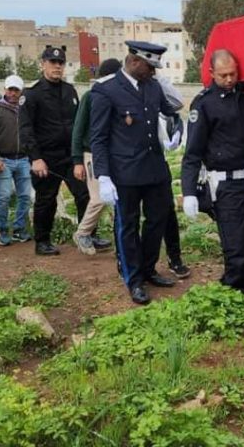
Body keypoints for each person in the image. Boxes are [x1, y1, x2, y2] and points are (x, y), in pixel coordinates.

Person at [88, 41, 180, 304]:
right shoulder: (106, 90)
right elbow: (98, 137)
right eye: (150, 66)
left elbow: (171, 111)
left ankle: (149, 268)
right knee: (127, 225)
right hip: (124, 173)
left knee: (157, 220)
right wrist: (103, 176)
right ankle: (134, 279)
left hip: (154, 169)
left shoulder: (152, 86)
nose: (153, 72)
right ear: (135, 61)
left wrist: (176, 130)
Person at [182, 49, 244, 292]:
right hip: (226, 185)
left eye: (233, 74)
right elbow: (193, 152)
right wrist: (189, 191)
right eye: (223, 75)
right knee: (236, 247)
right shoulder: (205, 104)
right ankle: (232, 293)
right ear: (212, 73)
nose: (229, 79)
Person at [20, 46, 90, 256]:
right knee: (46, 200)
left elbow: (78, 124)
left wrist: (80, 154)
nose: (57, 66)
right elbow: (25, 129)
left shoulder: (69, 91)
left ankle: (87, 235)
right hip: (46, 157)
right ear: (43, 64)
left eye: (60, 63)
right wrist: (35, 158)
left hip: (70, 155)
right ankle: (42, 241)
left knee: (84, 194)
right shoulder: (32, 94)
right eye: (52, 62)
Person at [71, 59, 121, 256]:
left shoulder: (117, 96)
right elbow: (78, 129)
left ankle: (112, 239)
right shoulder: (90, 96)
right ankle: (83, 233)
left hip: (113, 154)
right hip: (92, 154)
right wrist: (77, 161)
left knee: (115, 199)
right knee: (98, 198)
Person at [0, 74, 32, 246]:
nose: (13, 93)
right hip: (3, 159)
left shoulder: (26, 109)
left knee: (25, 196)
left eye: (16, 90)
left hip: (24, 159)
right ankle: (3, 230)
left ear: (21, 91)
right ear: (5, 89)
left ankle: (19, 228)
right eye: (10, 89)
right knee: (3, 196)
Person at [155, 74, 190, 278]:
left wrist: (160, 80)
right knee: (133, 218)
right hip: (131, 166)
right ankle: (134, 264)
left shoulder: (156, 87)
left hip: (159, 162)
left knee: (168, 212)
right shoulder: (121, 91)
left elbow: (176, 106)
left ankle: (174, 258)